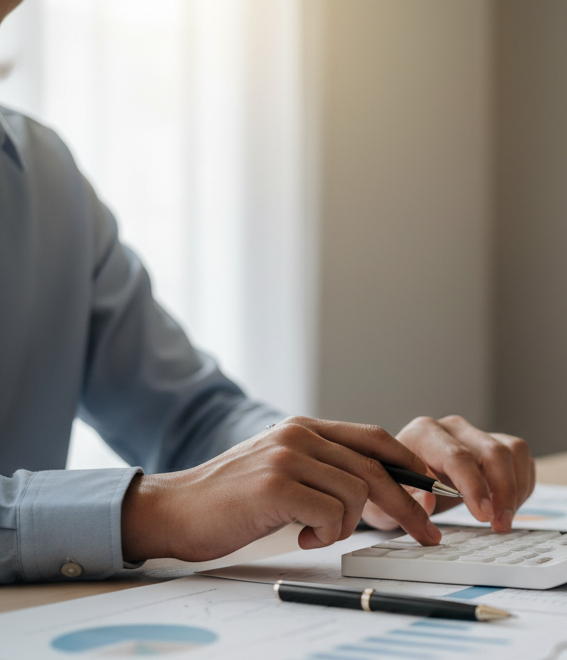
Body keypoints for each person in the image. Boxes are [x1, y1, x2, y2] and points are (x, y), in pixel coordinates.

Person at [0, 0, 533, 584]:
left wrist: (356, 473)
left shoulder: (44, 175)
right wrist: (150, 510)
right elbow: (183, 483)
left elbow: (191, 419)